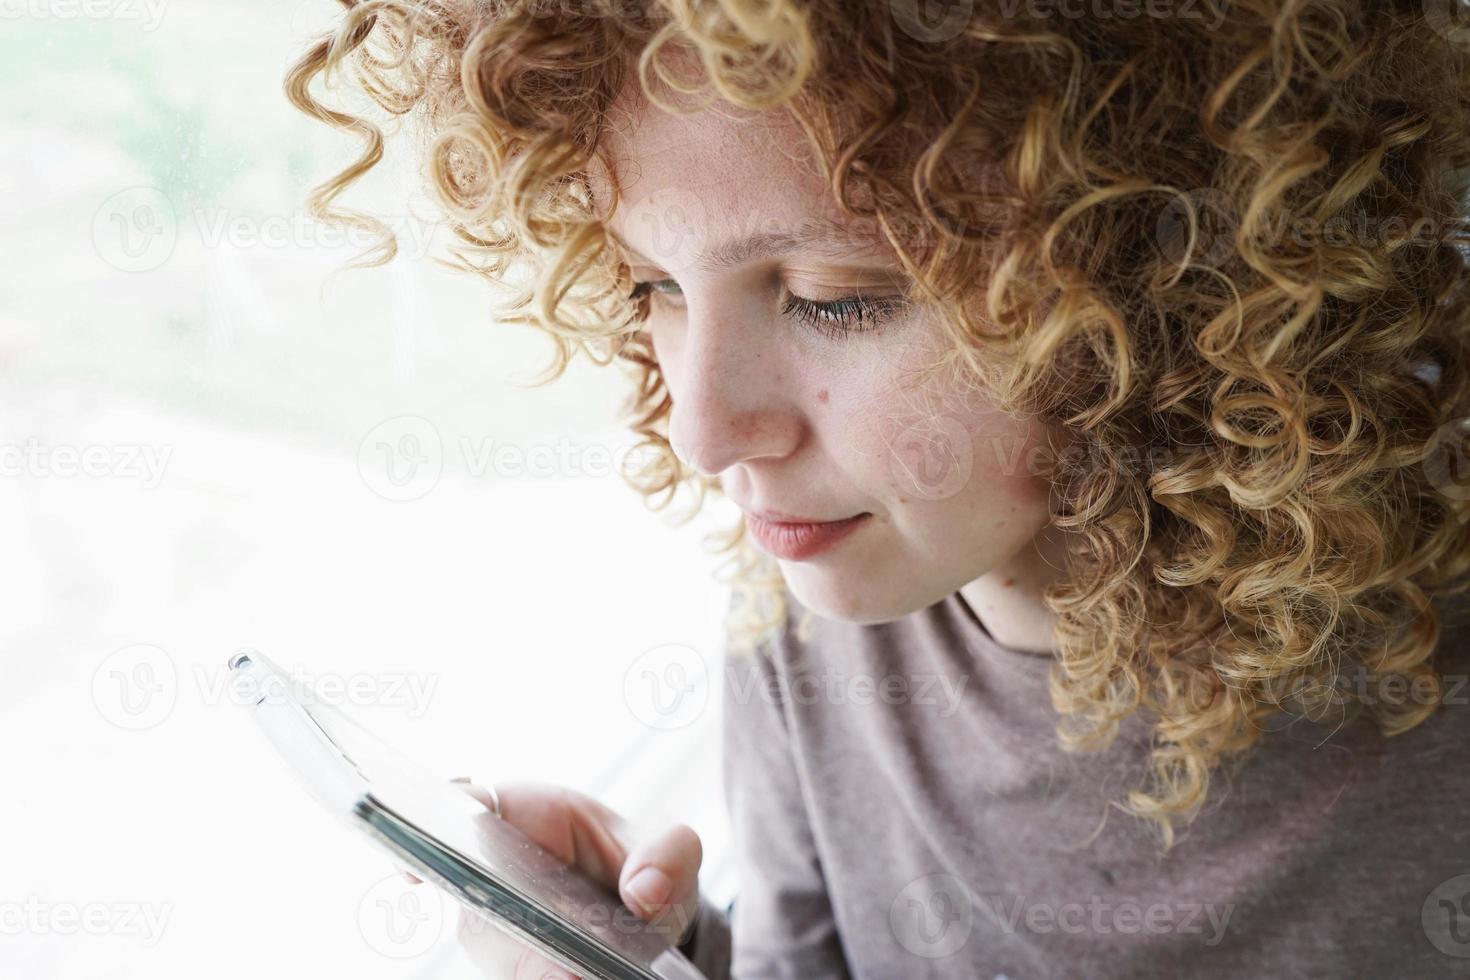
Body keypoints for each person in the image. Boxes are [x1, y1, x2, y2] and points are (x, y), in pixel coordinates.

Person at [287, 1, 1470, 976]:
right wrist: (662, 948)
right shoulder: (806, 610)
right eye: (653, 283)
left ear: (1166, 275)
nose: (705, 432)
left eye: (830, 294)